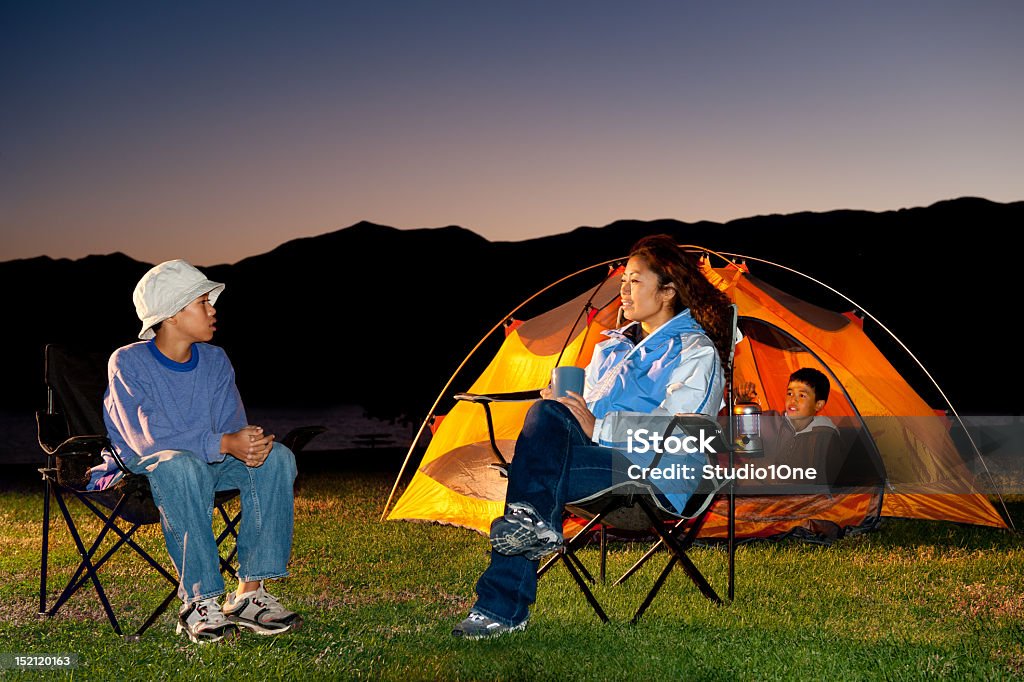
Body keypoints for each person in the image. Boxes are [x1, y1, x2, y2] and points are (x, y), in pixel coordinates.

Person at [452, 235, 733, 639]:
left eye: (635, 281)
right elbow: (587, 416)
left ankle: (502, 603)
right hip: (598, 463)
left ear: (669, 289)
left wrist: (597, 427)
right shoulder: (612, 349)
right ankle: (530, 531)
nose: (623, 290)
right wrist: (567, 407)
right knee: (548, 411)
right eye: (623, 280)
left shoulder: (696, 352)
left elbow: (683, 430)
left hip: (655, 473)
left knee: (535, 475)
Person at [86, 259, 301, 644]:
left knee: (277, 459)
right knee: (182, 466)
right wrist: (222, 443)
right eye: (202, 302)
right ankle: (199, 601)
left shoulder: (216, 360)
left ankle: (250, 595)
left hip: (208, 461)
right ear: (170, 315)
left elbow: (230, 424)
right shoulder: (128, 361)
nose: (213, 309)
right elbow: (148, 438)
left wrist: (246, 445)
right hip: (147, 468)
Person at [735, 367, 841, 484]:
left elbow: (829, 482)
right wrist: (741, 405)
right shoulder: (767, 421)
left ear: (818, 404)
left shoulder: (825, 434)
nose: (792, 400)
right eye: (789, 393)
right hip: (754, 494)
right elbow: (733, 433)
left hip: (796, 499)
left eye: (802, 396)